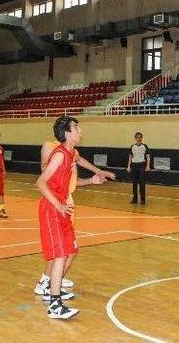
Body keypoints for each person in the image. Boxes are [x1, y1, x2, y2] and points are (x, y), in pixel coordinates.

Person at [37, 116, 108, 319]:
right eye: (76, 127)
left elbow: (69, 183)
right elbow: (41, 182)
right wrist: (58, 204)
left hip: (63, 207)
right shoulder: (59, 154)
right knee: (60, 255)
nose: (80, 130)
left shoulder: (70, 154)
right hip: (53, 208)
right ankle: (54, 304)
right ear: (67, 133)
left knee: (69, 250)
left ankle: (53, 294)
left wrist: (93, 179)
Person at [127, 132, 150, 204]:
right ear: (135, 138)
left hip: (142, 166)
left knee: (142, 183)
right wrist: (128, 166)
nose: (139, 139)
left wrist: (148, 166)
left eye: (140, 137)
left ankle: (143, 200)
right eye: (137, 137)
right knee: (134, 183)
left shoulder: (145, 146)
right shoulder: (132, 147)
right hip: (134, 166)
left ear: (142, 138)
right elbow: (130, 157)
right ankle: (135, 199)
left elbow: (148, 157)